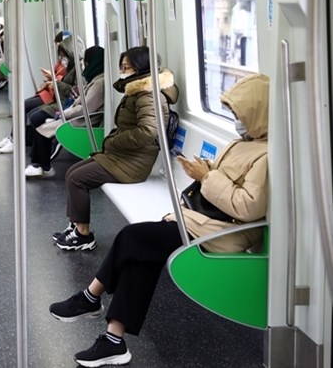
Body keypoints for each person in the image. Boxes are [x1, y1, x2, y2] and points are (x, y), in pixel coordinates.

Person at [49, 74, 269, 367]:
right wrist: (206, 171)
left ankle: (91, 297)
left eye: (240, 114)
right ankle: (114, 340)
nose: (237, 120)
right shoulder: (243, 143)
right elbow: (223, 179)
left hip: (224, 232)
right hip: (203, 219)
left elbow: (247, 206)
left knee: (133, 238)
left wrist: (207, 176)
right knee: (141, 256)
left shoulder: (267, 155)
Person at [54, 47, 179, 251]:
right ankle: (76, 226)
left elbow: (147, 132)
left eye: (126, 67)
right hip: (123, 157)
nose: (123, 71)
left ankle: (83, 235)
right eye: (122, 66)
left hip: (133, 163)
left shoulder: (148, 95)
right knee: (71, 173)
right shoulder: (138, 90)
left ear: (141, 67)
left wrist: (114, 141)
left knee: (78, 179)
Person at [0, 32, 83, 155]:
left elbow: (68, 87)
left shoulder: (73, 66)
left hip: (53, 96)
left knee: (26, 108)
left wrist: (53, 81)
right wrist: (50, 78)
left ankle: (17, 140)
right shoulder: (62, 63)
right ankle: (14, 138)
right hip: (50, 93)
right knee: (23, 107)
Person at [25, 46, 106, 178]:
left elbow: (85, 108)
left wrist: (63, 114)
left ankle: (44, 167)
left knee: (42, 128)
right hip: (77, 114)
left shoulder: (99, 83)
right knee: (39, 123)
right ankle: (38, 164)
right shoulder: (96, 78)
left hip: (83, 120)